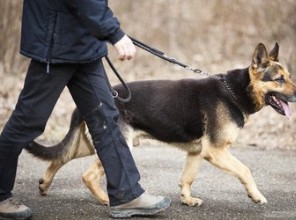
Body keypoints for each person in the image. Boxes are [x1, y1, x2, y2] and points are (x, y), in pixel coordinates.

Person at [0, 0, 171, 219]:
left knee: (107, 120)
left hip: (83, 46)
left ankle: (127, 194)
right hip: (56, 43)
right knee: (28, 121)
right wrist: (115, 33)